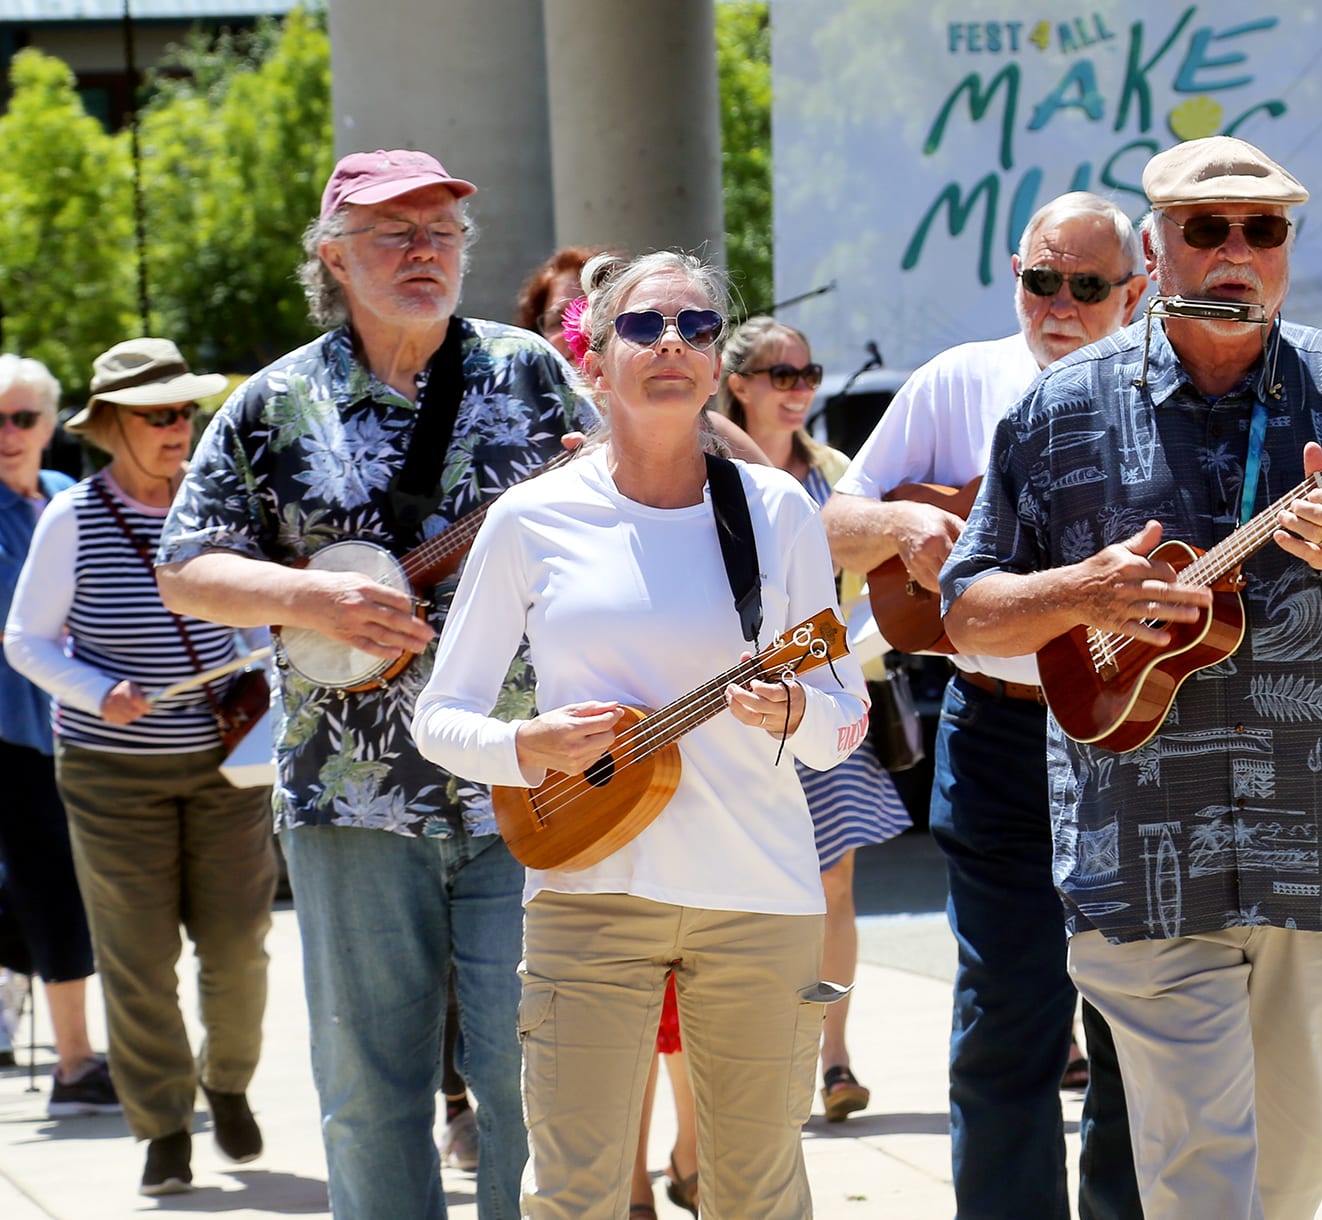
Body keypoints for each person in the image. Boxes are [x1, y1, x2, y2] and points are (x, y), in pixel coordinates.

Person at [940, 136, 1322, 1219]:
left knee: (1291, 1173)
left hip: (1315, 845)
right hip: (1140, 847)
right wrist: (1083, 591)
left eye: (1260, 230)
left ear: (1285, 247)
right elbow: (965, 607)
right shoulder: (1061, 406)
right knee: (1199, 1181)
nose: (1235, 251)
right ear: (1153, 245)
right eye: (1205, 228)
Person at [155, 149, 589, 1220]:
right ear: (333, 257)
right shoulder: (272, 403)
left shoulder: (531, 369)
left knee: (536, 1078)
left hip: (525, 783)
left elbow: (635, 487)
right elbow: (185, 564)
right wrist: (311, 603)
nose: (424, 252)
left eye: (441, 233)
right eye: (395, 234)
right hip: (351, 796)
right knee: (368, 1093)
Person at [411, 249, 870, 1219]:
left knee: (757, 1193)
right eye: (644, 324)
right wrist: (525, 744)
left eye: (698, 326)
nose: (673, 342)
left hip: (757, 895)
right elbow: (441, 716)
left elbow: (841, 720)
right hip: (586, 895)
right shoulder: (532, 520)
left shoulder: (779, 510)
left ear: (715, 365)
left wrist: (799, 713)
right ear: (592, 358)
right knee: (574, 1195)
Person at [821, 190, 1148, 1219]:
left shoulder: (1173, 394)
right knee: (1006, 1013)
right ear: (1015, 274)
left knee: (1136, 1029)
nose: (1057, 302)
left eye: (1085, 286)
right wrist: (904, 521)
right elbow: (830, 517)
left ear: (1134, 293)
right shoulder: (958, 377)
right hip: (998, 728)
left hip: (1136, 732)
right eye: (1039, 278)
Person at [4, 338, 277, 1197]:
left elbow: (263, 626)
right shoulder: (73, 517)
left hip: (229, 768)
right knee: (137, 954)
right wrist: (95, 691)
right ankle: (162, 1122)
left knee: (238, 947)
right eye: (158, 414)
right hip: (110, 773)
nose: (177, 427)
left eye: (184, 411)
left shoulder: (226, 508)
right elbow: (25, 641)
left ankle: (226, 1081)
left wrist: (257, 665)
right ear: (112, 427)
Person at [716, 315, 912, 1121]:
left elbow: (873, 565)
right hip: (735, 708)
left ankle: (834, 1058)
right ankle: (767, 1061)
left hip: (827, 699)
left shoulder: (837, 472)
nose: (800, 389)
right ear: (739, 386)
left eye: (808, 373)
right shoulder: (706, 466)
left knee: (836, 887)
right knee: (745, 895)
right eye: (780, 375)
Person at [0, 354, 118, 1115]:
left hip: (85, 728)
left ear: (50, 424)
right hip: (10, 732)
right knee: (52, 891)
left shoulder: (68, 500)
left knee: (61, 893)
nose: (7, 434)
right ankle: (74, 1068)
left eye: (22, 418)